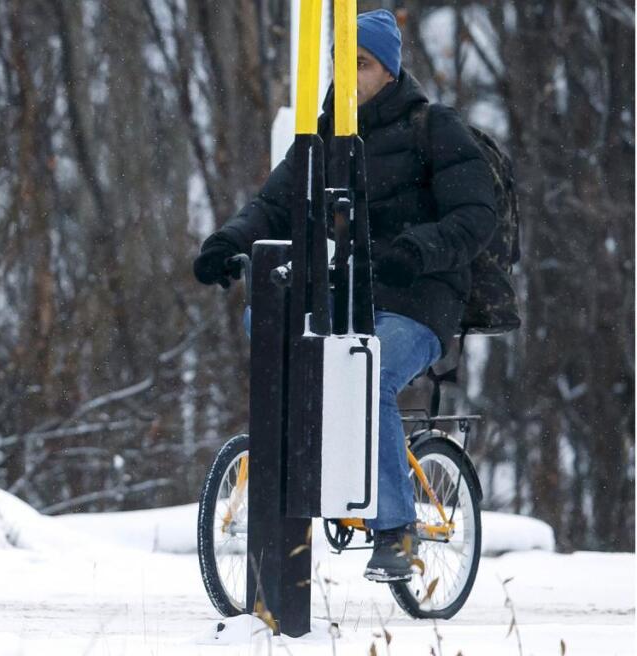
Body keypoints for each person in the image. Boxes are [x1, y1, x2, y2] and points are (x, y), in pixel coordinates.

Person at [192, 9, 496, 582]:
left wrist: (419, 249)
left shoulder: (433, 127)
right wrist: (226, 242)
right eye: (341, 61)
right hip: (350, 291)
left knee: (365, 368)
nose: (348, 73)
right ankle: (301, 472)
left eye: (362, 63)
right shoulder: (325, 132)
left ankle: (395, 530)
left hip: (419, 301)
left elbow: (476, 214)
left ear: (389, 71)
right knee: (269, 322)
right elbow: (274, 203)